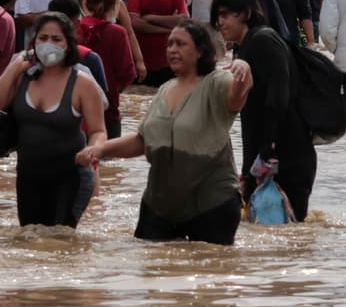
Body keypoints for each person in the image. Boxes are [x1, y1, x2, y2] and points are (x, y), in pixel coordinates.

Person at [76, 20, 252, 244]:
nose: (172, 50)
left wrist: (243, 71)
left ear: (200, 51)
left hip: (211, 201)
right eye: (169, 44)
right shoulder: (164, 89)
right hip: (160, 203)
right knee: (152, 270)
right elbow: (142, 140)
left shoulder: (217, 82)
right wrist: (99, 149)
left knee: (209, 269)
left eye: (180, 44)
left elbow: (237, 97)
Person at [0, 13, 106, 228]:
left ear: (68, 45)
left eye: (56, 39)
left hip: (70, 176)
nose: (48, 44)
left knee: (59, 242)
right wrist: (14, 68)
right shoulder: (23, 75)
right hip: (28, 176)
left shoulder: (82, 83)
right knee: (30, 240)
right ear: (33, 43)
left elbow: (98, 130)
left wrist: (94, 149)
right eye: (43, 38)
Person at [212, 0, 317, 222]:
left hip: (284, 154)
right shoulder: (247, 46)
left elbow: (278, 95)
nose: (220, 22)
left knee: (285, 231)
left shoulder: (263, 40)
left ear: (246, 13)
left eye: (226, 15)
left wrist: (268, 146)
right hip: (267, 153)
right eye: (217, 16)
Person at [77, 0, 137, 138]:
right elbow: (127, 73)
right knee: (108, 159)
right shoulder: (117, 32)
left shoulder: (75, 28)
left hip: (74, 106)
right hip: (107, 108)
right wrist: (114, 89)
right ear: (115, 5)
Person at [126, 0, 188, 87]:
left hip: (168, 61)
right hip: (142, 61)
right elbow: (135, 23)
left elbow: (183, 20)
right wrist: (167, 27)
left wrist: (150, 17)